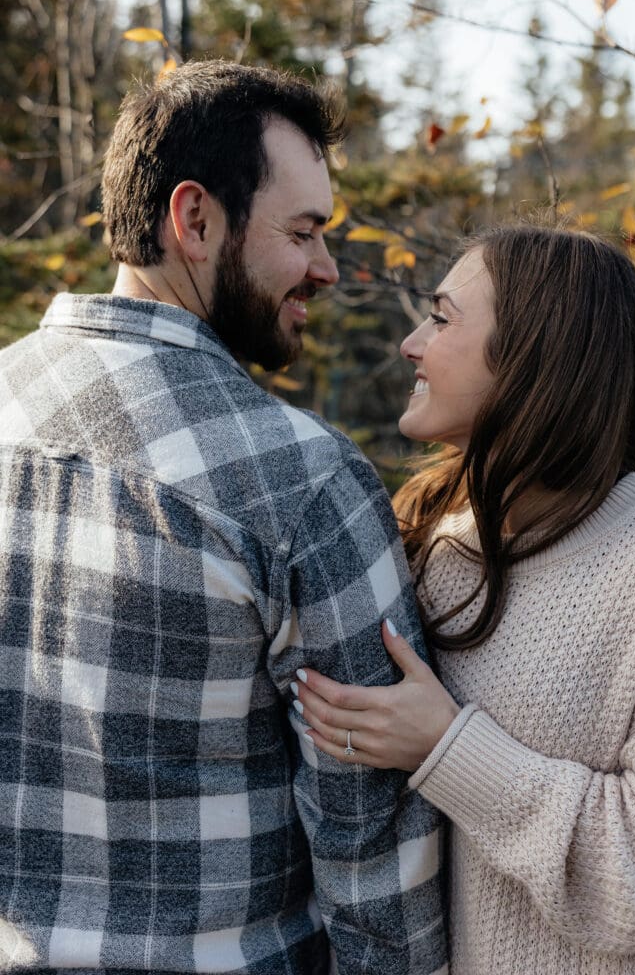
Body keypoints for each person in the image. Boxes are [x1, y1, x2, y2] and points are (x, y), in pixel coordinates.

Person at [0, 61, 447, 975]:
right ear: (194, 220)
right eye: (304, 232)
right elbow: (373, 838)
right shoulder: (301, 482)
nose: (326, 268)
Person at [292, 225, 635, 975]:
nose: (410, 343)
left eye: (440, 319)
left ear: (536, 354)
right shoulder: (426, 530)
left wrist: (450, 749)